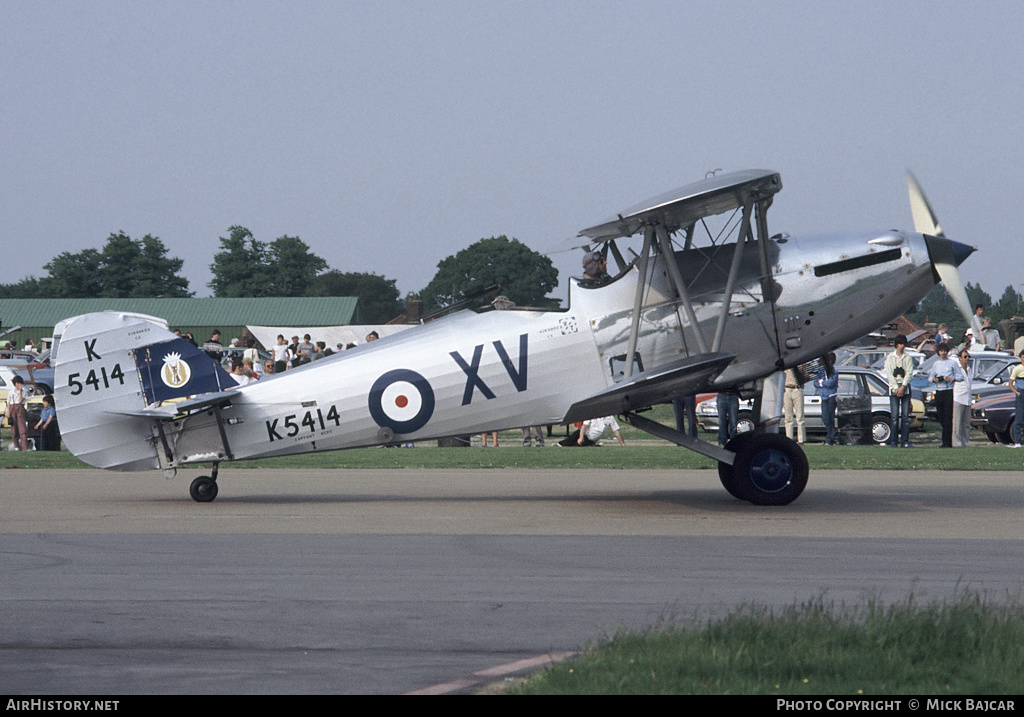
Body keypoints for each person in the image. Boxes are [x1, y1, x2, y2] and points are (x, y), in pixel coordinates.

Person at [928, 342, 964, 448]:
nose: (943, 353)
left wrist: (951, 379)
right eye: (941, 351)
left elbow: (960, 376)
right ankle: (945, 441)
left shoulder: (952, 363)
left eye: (944, 351)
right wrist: (934, 379)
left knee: (948, 417)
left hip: (948, 391)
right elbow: (930, 378)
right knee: (941, 417)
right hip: (939, 391)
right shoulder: (936, 364)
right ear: (938, 352)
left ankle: (947, 443)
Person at [884, 335, 915, 447]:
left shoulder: (908, 357)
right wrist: (895, 388)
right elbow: (889, 373)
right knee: (894, 417)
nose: (902, 346)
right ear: (896, 345)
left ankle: (905, 441)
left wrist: (903, 387)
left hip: (904, 387)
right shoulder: (890, 357)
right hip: (894, 388)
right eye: (900, 344)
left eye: (903, 344)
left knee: (905, 417)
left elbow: (909, 372)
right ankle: (893, 441)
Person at [814, 353, 839, 445]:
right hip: (823, 397)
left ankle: (830, 439)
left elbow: (830, 384)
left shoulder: (834, 371)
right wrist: (822, 383)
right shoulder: (821, 371)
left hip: (831, 397)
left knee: (830, 419)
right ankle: (833, 437)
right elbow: (815, 383)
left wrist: (821, 382)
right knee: (825, 419)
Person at [952, 347, 974, 447]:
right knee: (957, 423)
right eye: (965, 357)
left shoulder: (969, 369)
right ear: (960, 358)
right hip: (958, 398)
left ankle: (965, 441)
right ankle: (957, 442)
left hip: (967, 399)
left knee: (966, 423)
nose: (967, 358)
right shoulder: (956, 368)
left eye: (968, 356)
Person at [558, 415, 625, 446]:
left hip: (591, 440)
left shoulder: (610, 418)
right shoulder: (592, 415)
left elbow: (617, 432)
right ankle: (560, 444)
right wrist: (581, 437)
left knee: (580, 445)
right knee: (572, 438)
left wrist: (623, 444)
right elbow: (584, 426)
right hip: (584, 434)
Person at [783, 365, 808, 444]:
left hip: (797, 388)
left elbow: (806, 375)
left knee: (800, 416)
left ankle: (801, 439)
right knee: (788, 417)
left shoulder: (802, 363)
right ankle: (789, 439)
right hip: (787, 389)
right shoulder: (786, 363)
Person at [5, 375, 29, 451]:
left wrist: (20, 391)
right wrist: (8, 411)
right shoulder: (11, 391)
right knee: (14, 429)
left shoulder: (24, 390)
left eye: (20, 383)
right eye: (17, 383)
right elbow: (8, 401)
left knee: (22, 428)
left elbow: (20, 400)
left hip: (20, 408)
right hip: (12, 408)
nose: (19, 385)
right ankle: (16, 447)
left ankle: (25, 447)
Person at [1008, 350, 1024, 448]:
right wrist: (1016, 392)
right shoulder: (1017, 369)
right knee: (1019, 418)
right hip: (1021, 393)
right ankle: (1017, 441)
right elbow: (1010, 383)